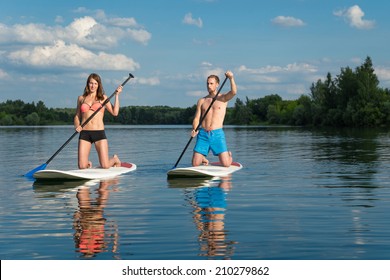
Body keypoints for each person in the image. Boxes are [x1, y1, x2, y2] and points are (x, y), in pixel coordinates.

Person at [74, 73, 122, 169]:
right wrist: (77, 125)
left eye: (95, 83)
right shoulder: (81, 98)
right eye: (91, 83)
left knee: (105, 165)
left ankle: (115, 159)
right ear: (87, 84)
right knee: (82, 166)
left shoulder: (103, 98)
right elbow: (76, 116)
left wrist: (117, 95)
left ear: (99, 85)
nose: (93, 86)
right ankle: (88, 164)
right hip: (84, 133)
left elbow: (115, 112)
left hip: (99, 133)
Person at [191, 71, 237, 167]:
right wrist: (194, 129)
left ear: (217, 85)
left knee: (226, 164)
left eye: (211, 83)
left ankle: (228, 156)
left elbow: (233, 92)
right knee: (195, 164)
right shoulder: (202, 101)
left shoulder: (223, 98)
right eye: (207, 83)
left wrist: (231, 78)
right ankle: (203, 158)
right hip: (203, 134)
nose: (209, 85)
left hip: (217, 134)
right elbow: (196, 118)